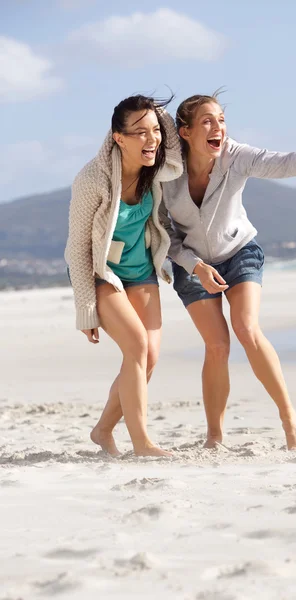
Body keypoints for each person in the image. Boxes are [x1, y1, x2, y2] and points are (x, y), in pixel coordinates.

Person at [160, 92, 296, 450]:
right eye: (207, 121)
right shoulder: (167, 172)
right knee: (217, 346)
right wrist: (196, 266)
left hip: (238, 252)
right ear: (185, 132)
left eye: (221, 119)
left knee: (246, 329)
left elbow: (282, 163)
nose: (217, 126)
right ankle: (215, 437)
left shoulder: (234, 156)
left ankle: (289, 422)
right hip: (191, 262)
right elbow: (165, 237)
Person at [65, 94, 182, 457]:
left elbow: (173, 146)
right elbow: (77, 249)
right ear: (118, 137)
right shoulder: (92, 179)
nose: (152, 140)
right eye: (140, 133)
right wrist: (86, 308)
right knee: (137, 347)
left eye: (155, 131)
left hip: (141, 271)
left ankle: (102, 431)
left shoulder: (156, 166)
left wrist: (155, 111)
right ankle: (142, 443)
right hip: (105, 276)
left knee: (148, 359)